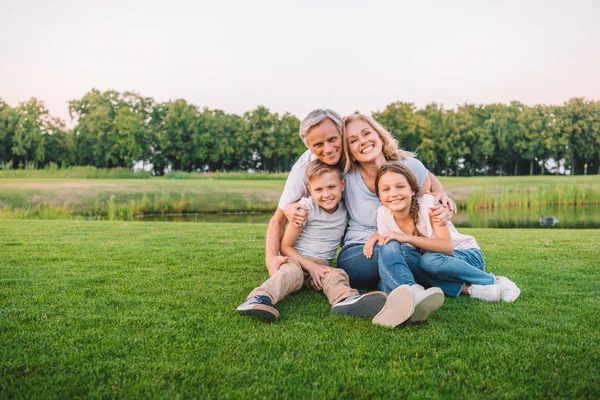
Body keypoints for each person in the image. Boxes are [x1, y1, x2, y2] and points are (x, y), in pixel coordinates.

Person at [337, 113, 457, 328]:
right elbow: (317, 185)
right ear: (350, 153)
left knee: (399, 251)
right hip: (362, 253)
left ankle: (390, 293)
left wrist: (442, 196)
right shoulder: (346, 177)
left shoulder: (409, 166)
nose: (362, 141)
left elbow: (427, 186)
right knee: (390, 246)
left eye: (366, 133)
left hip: (406, 248)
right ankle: (414, 291)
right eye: (353, 141)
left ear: (380, 136)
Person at [237, 160, 387, 322]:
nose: (326, 194)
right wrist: (311, 266)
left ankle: (346, 300)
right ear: (310, 191)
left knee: (336, 275)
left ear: (342, 185)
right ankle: (259, 298)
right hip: (296, 260)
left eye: (331, 187)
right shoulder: (305, 209)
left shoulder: (344, 210)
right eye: (319, 189)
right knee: (289, 274)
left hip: (321, 265)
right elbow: (286, 246)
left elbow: (341, 239)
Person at [374, 162, 521, 303]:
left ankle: (493, 280)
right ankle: (469, 290)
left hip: (465, 256)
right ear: (379, 196)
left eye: (400, 186)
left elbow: (447, 247)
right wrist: (375, 238)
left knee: (429, 260)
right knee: (400, 268)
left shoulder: (427, 203)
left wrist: (404, 237)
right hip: (434, 265)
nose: (393, 194)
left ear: (412, 190)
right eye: (386, 189)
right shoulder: (383, 213)